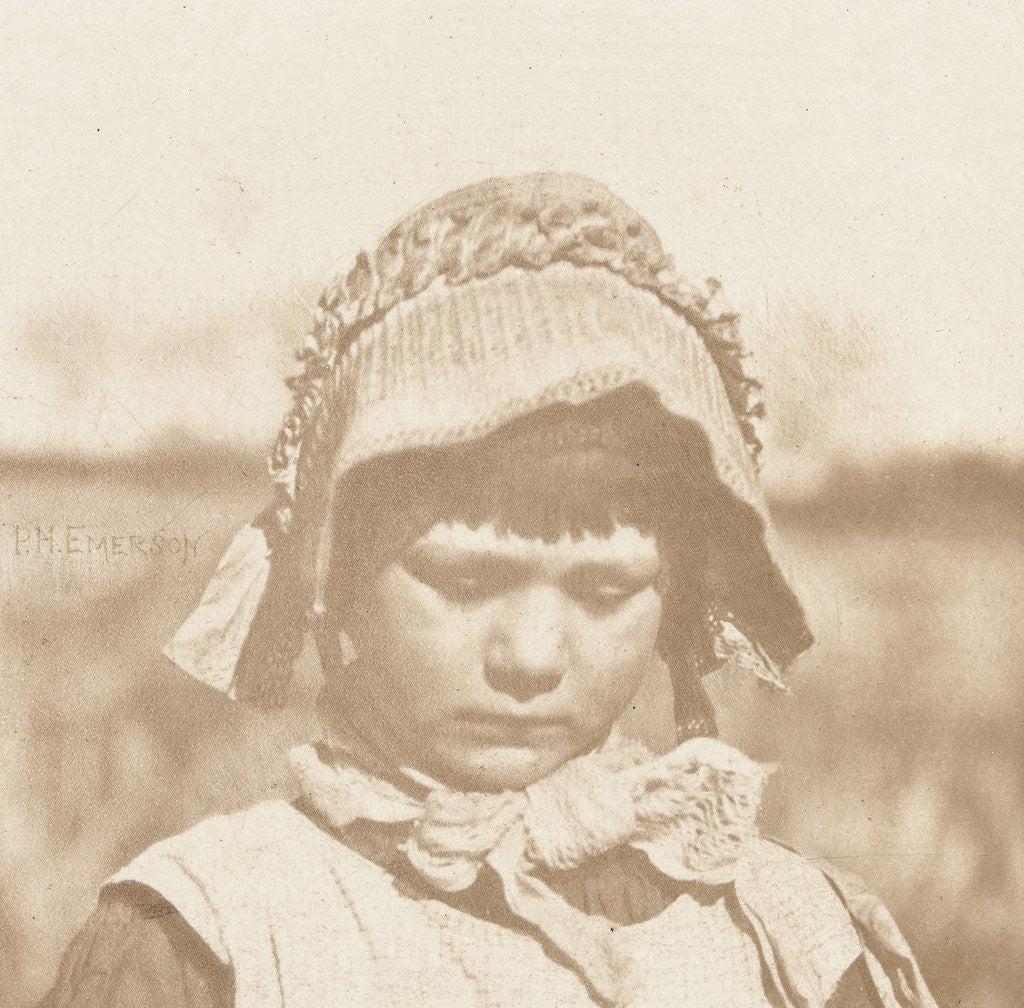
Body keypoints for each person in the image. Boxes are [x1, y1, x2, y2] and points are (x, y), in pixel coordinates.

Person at [42, 173, 938, 1007]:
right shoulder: (202, 939)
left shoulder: (793, 936)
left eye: (606, 589)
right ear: (335, 579)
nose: (533, 657)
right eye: (466, 579)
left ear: (679, 603)